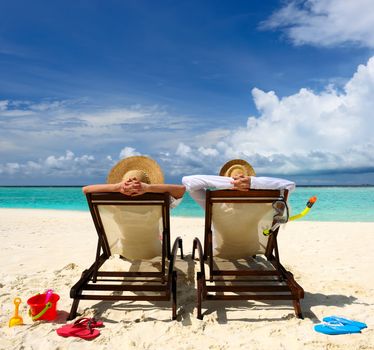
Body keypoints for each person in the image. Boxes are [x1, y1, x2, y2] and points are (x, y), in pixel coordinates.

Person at [182, 159, 295, 209]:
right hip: (253, 249)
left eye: (243, 179)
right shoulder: (260, 203)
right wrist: (251, 182)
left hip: (219, 252)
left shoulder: (216, 206)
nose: (240, 181)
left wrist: (230, 182)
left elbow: (188, 181)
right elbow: (289, 186)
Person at [82, 156, 186, 208]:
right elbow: (181, 189)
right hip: (155, 249)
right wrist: (148, 188)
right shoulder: (158, 202)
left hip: (119, 250)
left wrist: (117, 187)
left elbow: (86, 189)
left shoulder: (114, 205)